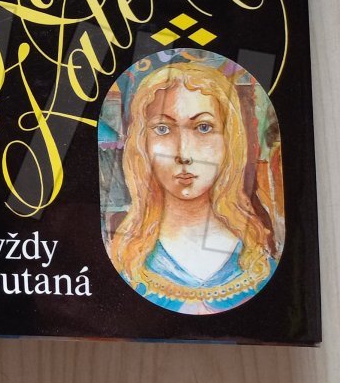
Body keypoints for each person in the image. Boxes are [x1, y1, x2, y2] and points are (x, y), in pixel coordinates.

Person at [108, 61, 279, 314]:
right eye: (163, 129)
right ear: (142, 144)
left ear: (229, 140)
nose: (184, 154)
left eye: (203, 127)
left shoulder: (258, 263)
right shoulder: (126, 264)